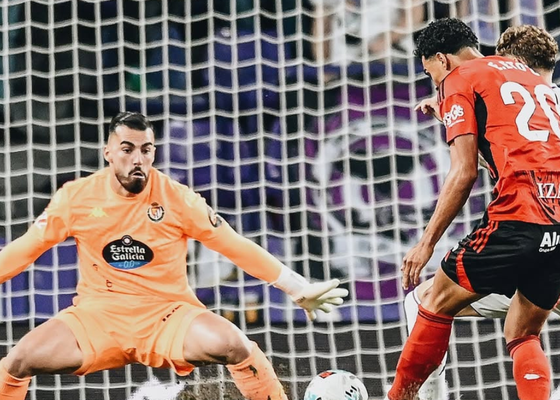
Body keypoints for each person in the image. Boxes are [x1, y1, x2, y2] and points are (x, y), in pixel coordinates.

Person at [0, 112, 349, 400]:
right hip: (97, 317)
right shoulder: (76, 197)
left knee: (234, 344)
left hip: (166, 315)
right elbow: (27, 247)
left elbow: (233, 244)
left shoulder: (177, 198)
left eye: (146, 150)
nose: (137, 159)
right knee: (18, 360)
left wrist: (296, 287)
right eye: (127, 149)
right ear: (108, 152)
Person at [385, 18, 560, 400]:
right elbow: (517, 149)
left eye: (430, 72)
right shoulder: (530, 77)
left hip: (517, 216)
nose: (434, 82)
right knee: (523, 332)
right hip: (555, 222)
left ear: (442, 59)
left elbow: (463, 173)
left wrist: (426, 244)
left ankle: (398, 397)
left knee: (432, 302)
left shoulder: (458, 79)